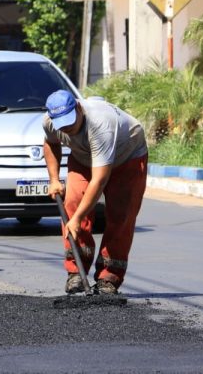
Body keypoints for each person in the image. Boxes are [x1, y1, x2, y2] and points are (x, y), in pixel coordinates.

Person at [42, 90, 148, 295]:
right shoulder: (49, 121)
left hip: (127, 157)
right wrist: (54, 179)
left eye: (70, 122)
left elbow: (99, 180)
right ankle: (76, 273)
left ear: (79, 109)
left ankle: (108, 277)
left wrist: (78, 218)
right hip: (83, 157)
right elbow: (51, 143)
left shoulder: (100, 125)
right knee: (72, 203)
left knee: (121, 216)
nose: (67, 128)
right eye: (62, 125)